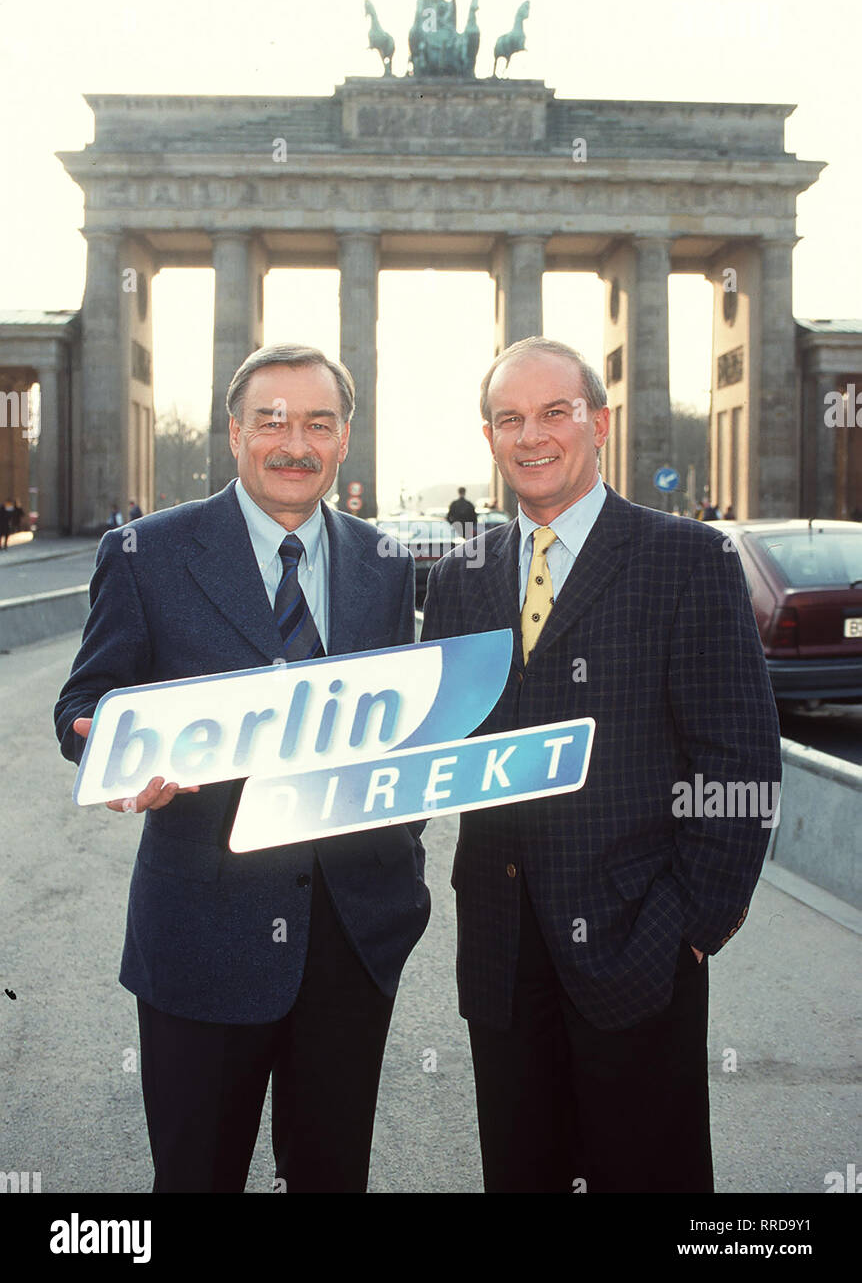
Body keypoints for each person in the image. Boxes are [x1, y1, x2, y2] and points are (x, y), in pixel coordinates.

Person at [55, 343, 430, 1194]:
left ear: (343, 440)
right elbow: (86, 706)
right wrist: (106, 754)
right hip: (202, 934)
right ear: (234, 433)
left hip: (353, 931)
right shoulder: (145, 553)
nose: (293, 442)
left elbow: (407, 725)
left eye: (317, 424)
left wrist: (404, 835)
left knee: (334, 1176)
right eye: (271, 421)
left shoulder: (384, 562)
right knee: (195, 1177)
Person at [422, 335, 781, 1194]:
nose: (531, 435)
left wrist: (691, 930)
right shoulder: (460, 577)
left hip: (641, 946)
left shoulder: (688, 560)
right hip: (504, 955)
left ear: (600, 423)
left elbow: (739, 762)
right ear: (489, 438)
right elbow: (426, 749)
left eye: (555, 412)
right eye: (510, 418)